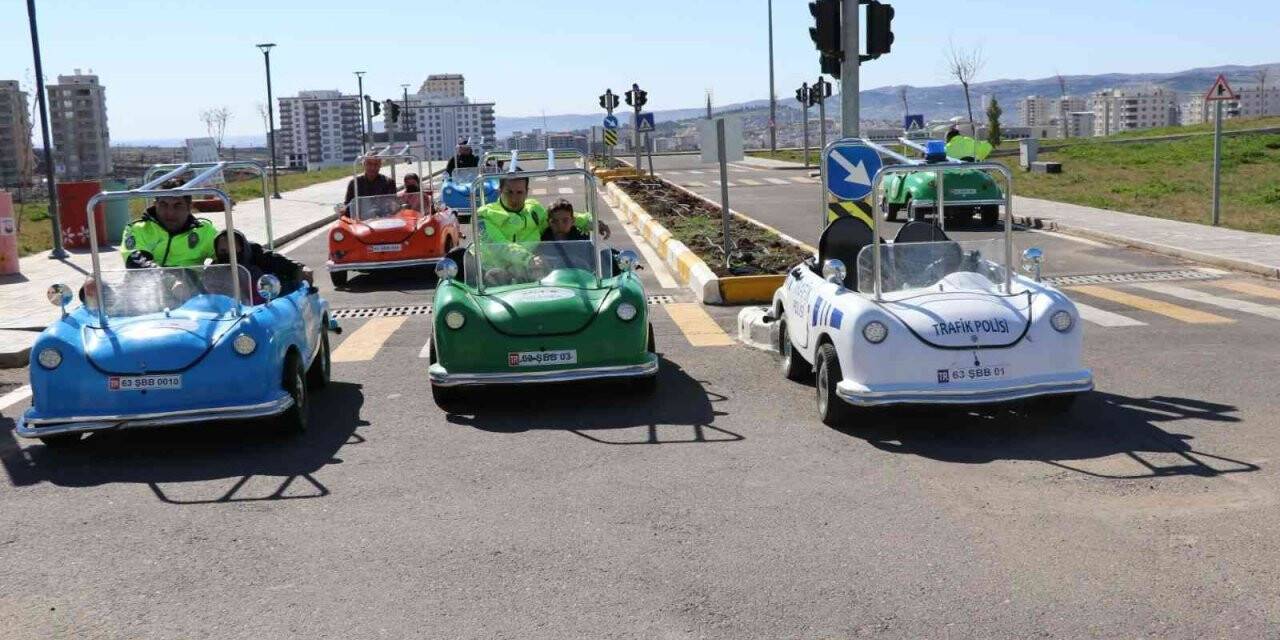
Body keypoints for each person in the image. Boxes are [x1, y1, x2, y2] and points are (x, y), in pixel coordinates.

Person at [120, 178, 218, 269]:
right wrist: (167, 278)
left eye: (177, 205)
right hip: (149, 285)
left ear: (189, 207)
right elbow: (135, 260)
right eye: (163, 205)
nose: (170, 213)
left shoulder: (205, 231)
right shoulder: (138, 229)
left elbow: (229, 255)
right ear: (155, 205)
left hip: (192, 286)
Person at [212, 230, 312, 303]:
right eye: (223, 251)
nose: (228, 254)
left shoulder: (259, 256)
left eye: (232, 250)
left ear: (242, 248)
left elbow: (285, 263)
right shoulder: (214, 269)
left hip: (267, 298)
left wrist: (301, 269)